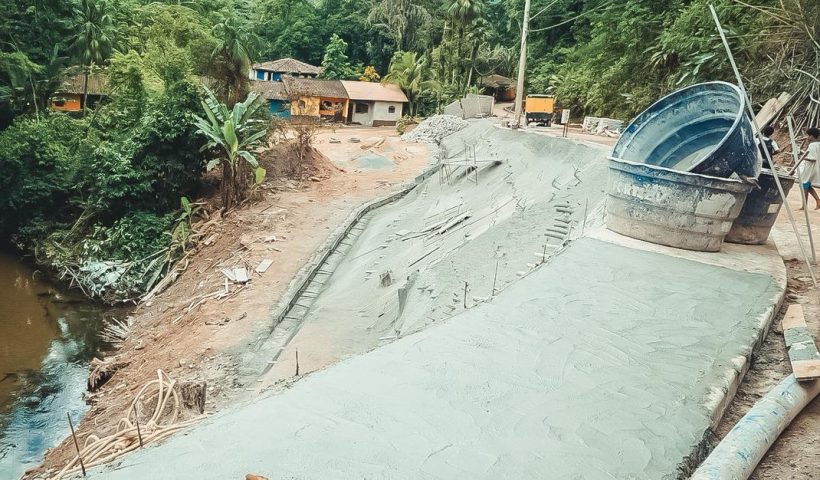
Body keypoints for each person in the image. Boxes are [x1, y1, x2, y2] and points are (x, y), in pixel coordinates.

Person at [798, 127, 820, 210]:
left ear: (811, 136)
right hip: (816, 168)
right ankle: (818, 200)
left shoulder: (812, 145)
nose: (807, 137)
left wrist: (802, 157)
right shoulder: (818, 144)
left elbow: (813, 158)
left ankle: (804, 205)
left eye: (808, 135)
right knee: (807, 186)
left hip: (810, 168)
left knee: (804, 185)